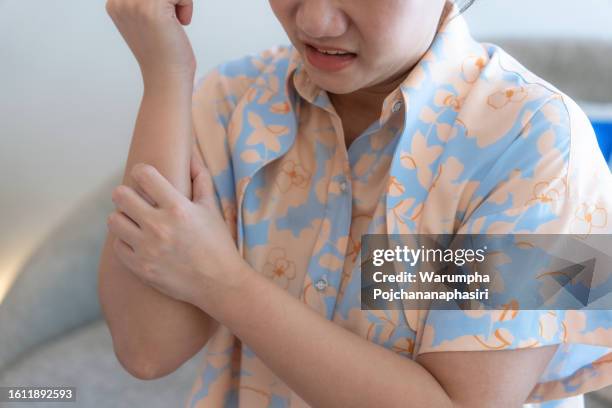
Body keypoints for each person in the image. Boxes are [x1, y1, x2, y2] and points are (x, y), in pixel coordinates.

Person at [98, 0, 612, 407]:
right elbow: (148, 349)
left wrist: (218, 280)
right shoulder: (235, 98)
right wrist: (165, 74)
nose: (316, 19)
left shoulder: (536, 140)